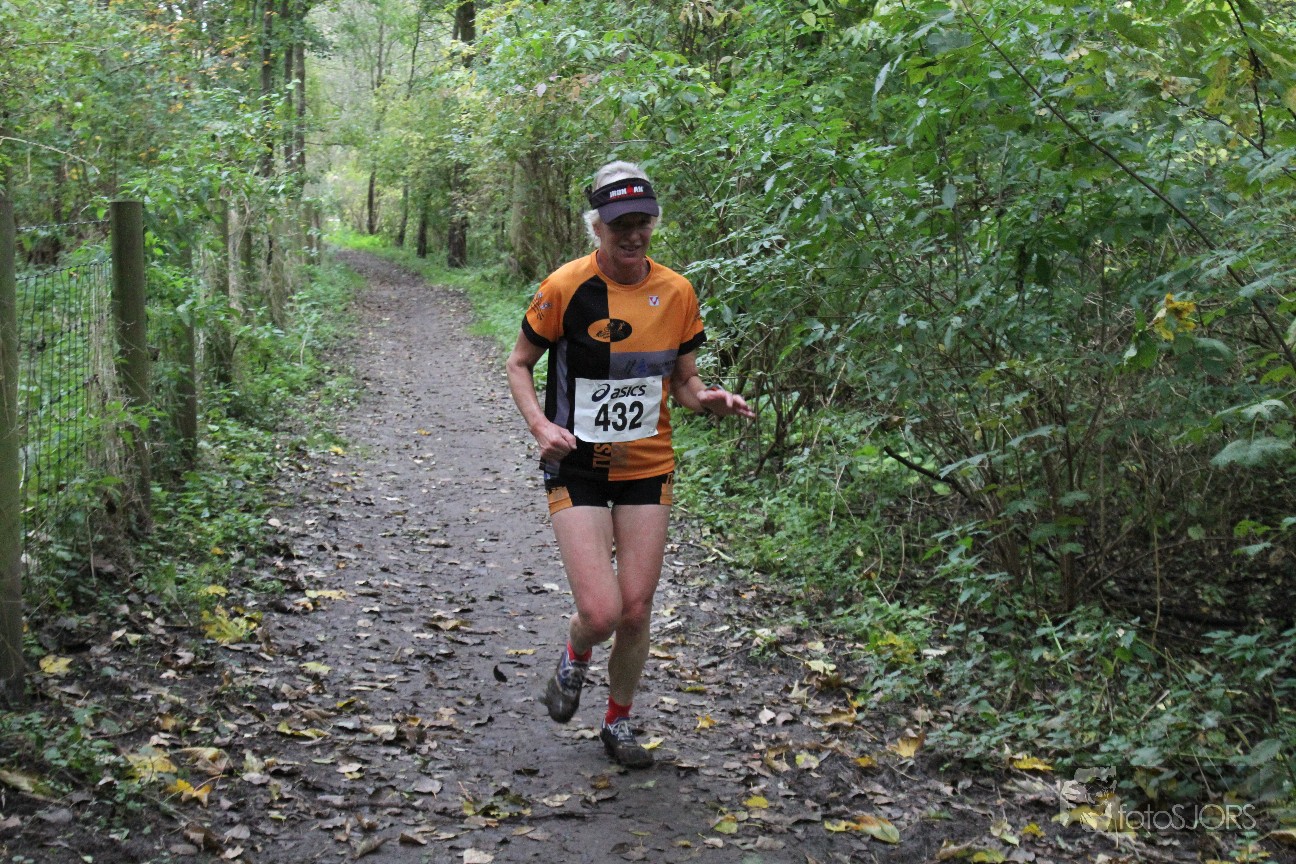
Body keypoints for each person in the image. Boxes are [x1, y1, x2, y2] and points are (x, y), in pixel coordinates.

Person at [506, 160, 754, 768]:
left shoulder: (677, 292)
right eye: (620, 224)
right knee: (601, 612)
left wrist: (709, 399)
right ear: (596, 227)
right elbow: (519, 364)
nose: (633, 234)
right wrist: (541, 426)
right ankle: (575, 653)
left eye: (642, 222)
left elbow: (685, 382)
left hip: (647, 464)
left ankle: (617, 722)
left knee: (636, 609)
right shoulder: (565, 287)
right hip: (578, 465)